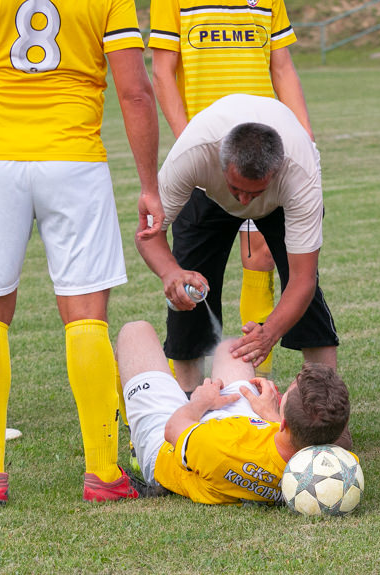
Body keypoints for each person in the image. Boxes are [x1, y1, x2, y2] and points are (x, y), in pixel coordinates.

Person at [0, 0, 162, 505]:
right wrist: (149, 184)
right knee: (85, 317)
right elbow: (136, 91)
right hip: (74, 159)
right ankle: (103, 474)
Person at [148, 0, 315, 378]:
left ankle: (256, 378)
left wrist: (304, 131)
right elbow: (162, 71)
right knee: (193, 274)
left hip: (264, 149)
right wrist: (188, 143)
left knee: (266, 259)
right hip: (211, 155)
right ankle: (189, 395)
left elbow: (282, 65)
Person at [136, 93, 338, 393]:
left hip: (279, 202)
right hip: (207, 195)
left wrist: (269, 332)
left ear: (276, 171)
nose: (243, 202)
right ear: (220, 163)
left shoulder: (299, 174)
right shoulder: (194, 154)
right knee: (187, 294)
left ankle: (324, 401)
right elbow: (148, 234)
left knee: (306, 302)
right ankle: (190, 398)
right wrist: (170, 273)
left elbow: (303, 279)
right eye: (236, 189)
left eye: (253, 193)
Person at [116, 320, 351, 505]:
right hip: (241, 429)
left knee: (135, 332)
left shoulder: (219, 446)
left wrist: (199, 402)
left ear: (285, 423)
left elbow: (173, 429)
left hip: (172, 447)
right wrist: (269, 413)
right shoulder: (332, 470)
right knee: (232, 350)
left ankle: (136, 445)